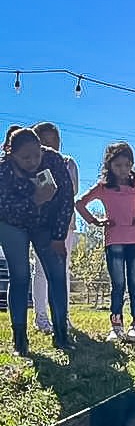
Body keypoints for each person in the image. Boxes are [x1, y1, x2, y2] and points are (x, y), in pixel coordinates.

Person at [74, 142, 135, 343]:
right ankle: (116, 325)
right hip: (113, 240)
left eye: (127, 165)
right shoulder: (103, 188)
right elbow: (80, 204)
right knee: (118, 283)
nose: (123, 169)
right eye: (118, 165)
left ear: (132, 165)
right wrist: (95, 221)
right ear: (109, 166)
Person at [0, 128, 75, 353]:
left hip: (46, 223)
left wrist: (59, 236)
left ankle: (62, 335)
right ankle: (20, 340)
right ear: (11, 153)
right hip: (11, 224)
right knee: (20, 275)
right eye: (25, 157)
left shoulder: (53, 159)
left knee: (56, 273)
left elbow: (66, 198)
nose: (33, 161)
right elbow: (5, 208)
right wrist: (35, 200)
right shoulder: (3, 171)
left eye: (36, 155)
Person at [31, 122, 79, 334]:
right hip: (40, 225)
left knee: (62, 271)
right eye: (45, 142)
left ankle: (62, 316)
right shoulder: (28, 165)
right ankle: (41, 317)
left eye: (55, 141)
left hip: (65, 225)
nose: (51, 146)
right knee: (41, 271)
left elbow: (72, 190)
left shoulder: (68, 162)